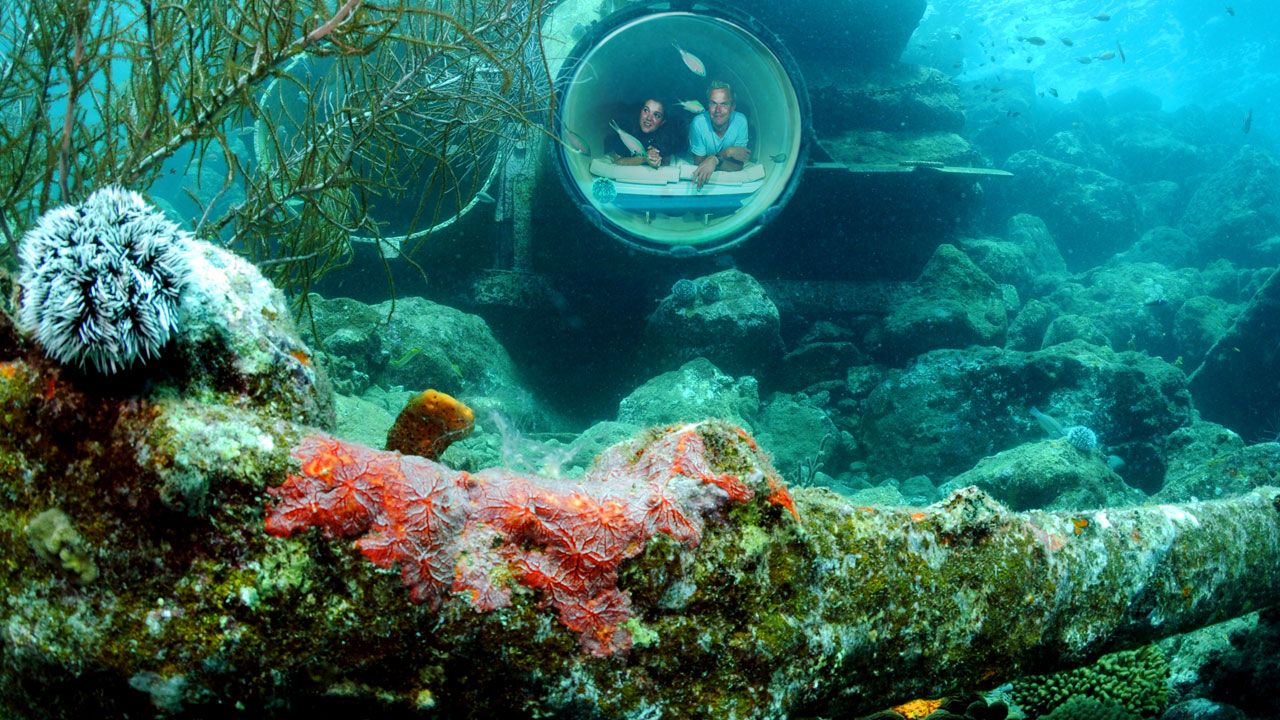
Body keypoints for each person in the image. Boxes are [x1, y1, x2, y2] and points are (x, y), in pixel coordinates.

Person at [688, 80, 749, 189]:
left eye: (724, 104)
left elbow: (738, 165)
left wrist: (714, 160)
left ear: (733, 107)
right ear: (708, 105)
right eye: (713, 103)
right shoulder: (698, 123)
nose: (718, 110)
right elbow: (700, 163)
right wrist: (727, 152)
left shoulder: (740, 121)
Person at [606, 98, 681, 169]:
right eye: (646, 110)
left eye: (656, 115)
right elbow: (617, 160)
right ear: (640, 111)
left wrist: (655, 158)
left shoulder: (667, 137)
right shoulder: (627, 131)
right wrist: (644, 159)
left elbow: (666, 163)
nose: (649, 118)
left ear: (662, 122)